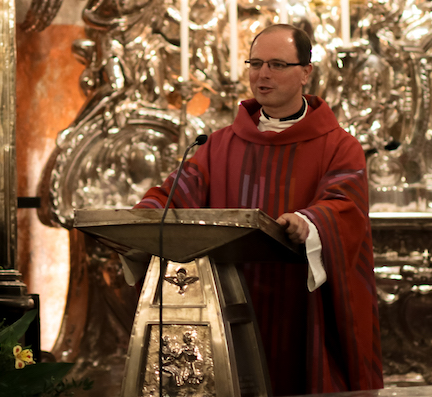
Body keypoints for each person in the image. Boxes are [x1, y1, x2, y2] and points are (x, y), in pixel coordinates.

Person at [135, 24, 382, 395]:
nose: (263, 74)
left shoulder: (338, 145)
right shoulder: (218, 145)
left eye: (277, 64)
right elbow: (176, 194)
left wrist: (309, 221)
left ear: (306, 73)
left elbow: (345, 206)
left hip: (300, 306)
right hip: (229, 304)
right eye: (255, 63)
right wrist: (143, 215)